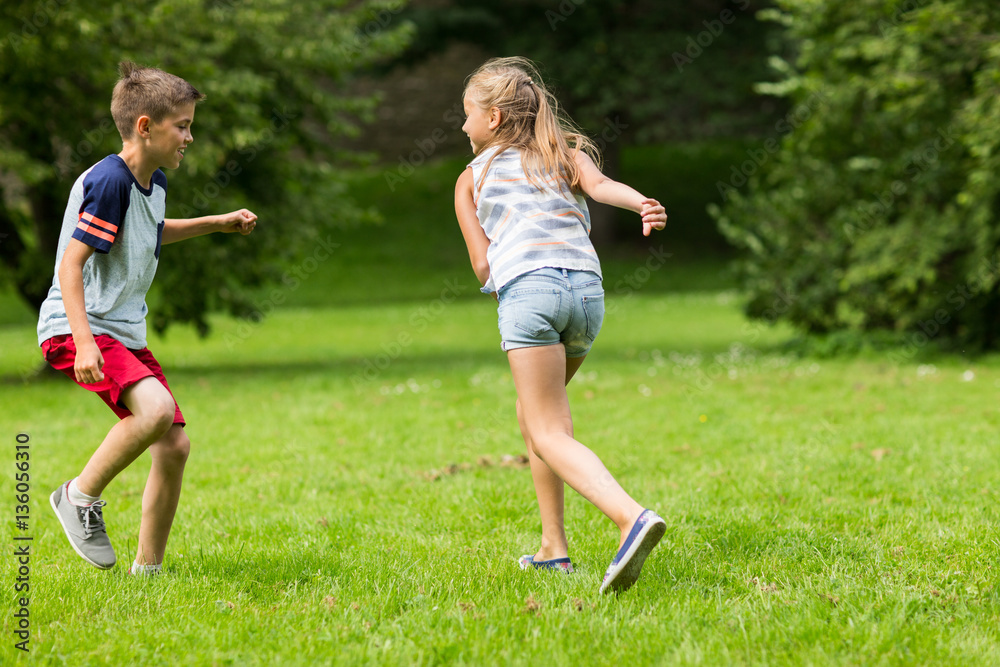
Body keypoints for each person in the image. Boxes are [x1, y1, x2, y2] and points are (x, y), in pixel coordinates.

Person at [454, 57, 669, 594]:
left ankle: (629, 518)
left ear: (495, 119)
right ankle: (553, 550)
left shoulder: (471, 178)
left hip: (531, 295)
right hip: (586, 295)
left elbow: (484, 266)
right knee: (538, 419)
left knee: (546, 427)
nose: (462, 127)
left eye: (467, 115)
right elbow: (602, 188)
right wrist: (641, 202)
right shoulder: (562, 155)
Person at [39, 62, 258, 575]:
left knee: (174, 445)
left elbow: (149, 231)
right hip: (82, 328)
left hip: (121, 333)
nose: (190, 135)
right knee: (156, 411)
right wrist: (85, 342)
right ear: (145, 126)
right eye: (181, 125)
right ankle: (77, 496)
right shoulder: (110, 180)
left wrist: (216, 223)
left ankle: (148, 571)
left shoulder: (151, 181)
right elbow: (71, 266)